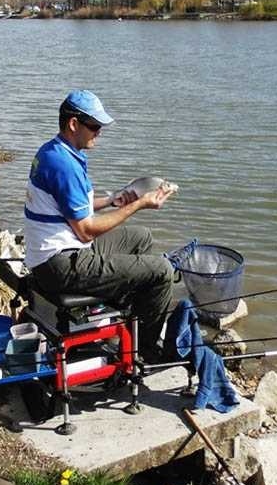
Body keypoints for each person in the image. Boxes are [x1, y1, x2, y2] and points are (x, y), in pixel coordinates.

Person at [24, 89, 176, 352]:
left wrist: (114, 200)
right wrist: (140, 204)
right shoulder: (64, 165)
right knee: (162, 270)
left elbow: (72, 205)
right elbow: (86, 231)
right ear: (73, 124)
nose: (99, 132)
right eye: (94, 126)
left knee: (141, 237)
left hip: (57, 252)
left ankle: (128, 325)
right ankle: (145, 352)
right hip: (60, 264)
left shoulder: (55, 151)